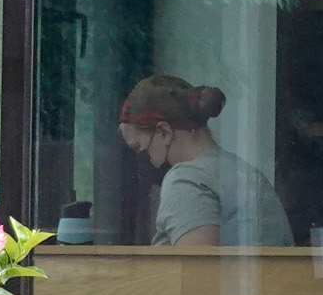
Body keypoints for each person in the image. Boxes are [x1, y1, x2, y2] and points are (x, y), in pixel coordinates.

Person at [119, 76, 294, 248]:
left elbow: (196, 273)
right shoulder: (243, 172)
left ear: (164, 132)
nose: (143, 158)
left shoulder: (187, 180)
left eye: (139, 148)